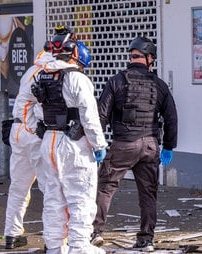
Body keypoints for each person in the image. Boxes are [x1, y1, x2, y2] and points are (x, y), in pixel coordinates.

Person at [91, 36, 178, 252]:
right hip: (150, 145)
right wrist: (168, 145)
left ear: (132, 57)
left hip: (123, 144)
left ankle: (95, 232)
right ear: (149, 59)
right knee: (148, 193)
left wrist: (97, 143)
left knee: (106, 187)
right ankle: (146, 239)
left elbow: (101, 114)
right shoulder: (159, 85)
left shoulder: (116, 81)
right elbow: (171, 117)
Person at [33, 28, 108, 254]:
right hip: (74, 143)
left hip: (49, 140)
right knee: (81, 197)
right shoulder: (77, 78)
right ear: (75, 52)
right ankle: (78, 246)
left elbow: (38, 111)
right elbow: (89, 116)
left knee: (54, 198)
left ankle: (55, 248)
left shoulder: (42, 75)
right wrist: (99, 144)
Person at [3, 49, 54, 250]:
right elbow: (37, 106)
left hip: (17, 131)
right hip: (32, 132)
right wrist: (39, 129)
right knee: (50, 188)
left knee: (18, 187)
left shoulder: (32, 69)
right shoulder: (48, 73)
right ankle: (54, 238)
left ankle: (12, 234)